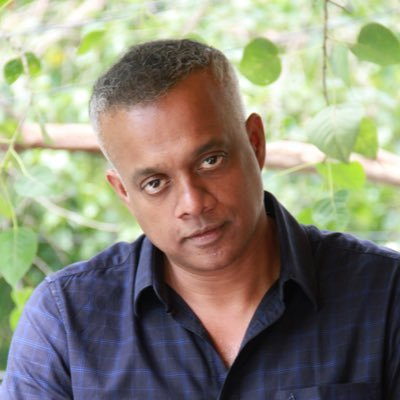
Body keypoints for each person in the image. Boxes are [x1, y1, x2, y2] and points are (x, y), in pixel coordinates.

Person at [1, 39, 399, 400]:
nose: (193, 203)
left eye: (210, 161)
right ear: (123, 193)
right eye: (155, 183)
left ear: (255, 144)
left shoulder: (385, 295)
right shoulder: (65, 321)